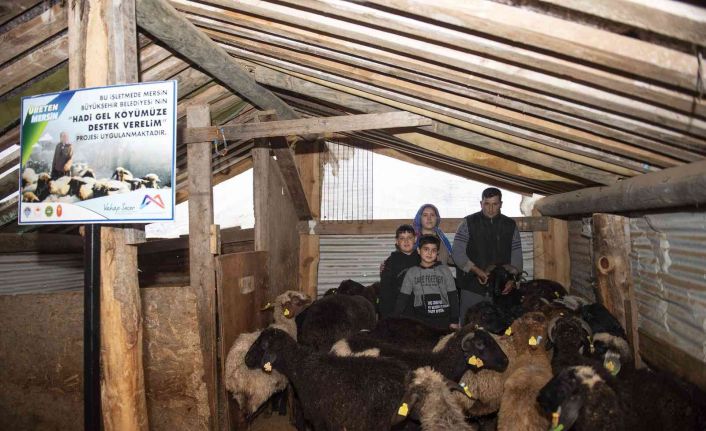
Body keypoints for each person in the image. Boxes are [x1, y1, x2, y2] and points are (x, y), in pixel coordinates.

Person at [452, 187, 522, 321]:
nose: (490, 209)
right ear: (481, 203)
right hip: (471, 286)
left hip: (501, 288)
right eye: (487, 204)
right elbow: (457, 253)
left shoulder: (510, 225)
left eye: (495, 204)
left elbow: (516, 255)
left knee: (500, 326)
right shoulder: (468, 223)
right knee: (470, 325)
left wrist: (512, 279)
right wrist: (476, 270)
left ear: (501, 204)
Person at [393, 235, 460, 330]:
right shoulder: (412, 272)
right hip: (421, 322)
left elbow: (453, 297)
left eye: (433, 250)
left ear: (437, 253)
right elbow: (402, 298)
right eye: (426, 249)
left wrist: (454, 321)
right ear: (419, 251)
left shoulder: (445, 270)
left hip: (444, 320)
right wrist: (394, 319)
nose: (430, 253)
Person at [378, 224, 421, 319]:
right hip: (398, 309)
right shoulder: (390, 261)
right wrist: (386, 313)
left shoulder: (422, 259)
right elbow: (385, 289)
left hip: (419, 310)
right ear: (397, 241)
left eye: (409, 237)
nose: (406, 241)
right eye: (402, 238)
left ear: (415, 239)